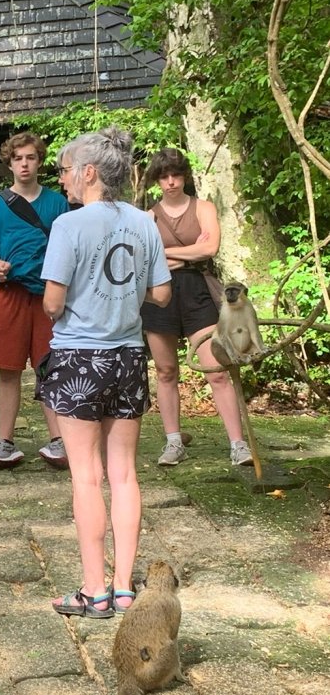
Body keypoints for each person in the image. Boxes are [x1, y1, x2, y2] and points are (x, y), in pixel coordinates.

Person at [37, 127, 172, 618]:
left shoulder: (69, 226)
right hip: (129, 357)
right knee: (125, 475)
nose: (63, 178)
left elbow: (53, 302)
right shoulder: (144, 222)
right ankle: (123, 587)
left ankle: (94, 591)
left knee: (86, 478)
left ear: (89, 172)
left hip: (78, 359)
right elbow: (161, 295)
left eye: (66, 168)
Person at [140, 148, 253, 468]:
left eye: (176, 175)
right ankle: (174, 441)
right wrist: (189, 251)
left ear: (185, 176)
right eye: (164, 177)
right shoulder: (148, 216)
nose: (171, 182)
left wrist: (170, 254)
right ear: (157, 180)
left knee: (216, 370)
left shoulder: (203, 207)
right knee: (165, 371)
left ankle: (238, 444)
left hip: (197, 291)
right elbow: (147, 259)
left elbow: (210, 247)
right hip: (158, 293)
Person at [0, 132, 69, 470]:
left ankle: (59, 439)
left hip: (47, 295)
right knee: (9, 369)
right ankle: (5, 442)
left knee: (50, 368)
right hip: (10, 293)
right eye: (18, 158)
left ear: (39, 161)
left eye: (30, 157)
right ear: (9, 163)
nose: (24, 164)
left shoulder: (58, 203)